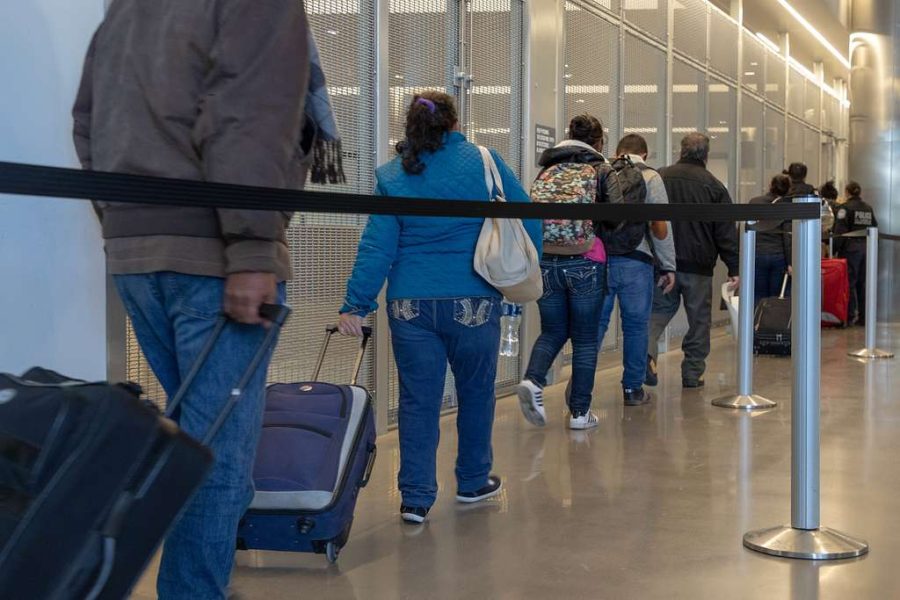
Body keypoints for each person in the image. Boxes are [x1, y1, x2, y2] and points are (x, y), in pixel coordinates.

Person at [72, 2, 311, 597]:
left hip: (137, 255)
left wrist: (126, 221)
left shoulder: (128, 7)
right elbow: (249, 118)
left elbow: (87, 121)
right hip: (215, 257)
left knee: (193, 444)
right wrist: (253, 248)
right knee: (217, 459)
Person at [338, 92, 542, 525]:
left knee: (417, 400)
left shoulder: (393, 174)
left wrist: (355, 304)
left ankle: (415, 497)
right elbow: (529, 216)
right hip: (474, 299)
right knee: (476, 392)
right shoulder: (483, 162)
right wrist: (522, 269)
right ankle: (471, 481)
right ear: (454, 122)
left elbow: (377, 246)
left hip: (410, 304)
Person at [516, 114, 621, 430]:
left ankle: (534, 381)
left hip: (546, 261)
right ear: (599, 141)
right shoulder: (602, 169)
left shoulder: (548, 169)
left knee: (553, 330)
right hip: (586, 260)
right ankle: (579, 413)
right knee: (586, 339)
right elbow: (618, 217)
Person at [646, 133, 739, 389]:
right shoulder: (714, 185)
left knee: (656, 314)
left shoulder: (661, 176)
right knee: (699, 322)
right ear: (706, 155)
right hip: (698, 267)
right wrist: (734, 266)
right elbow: (725, 231)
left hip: (663, 263)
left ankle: (646, 356)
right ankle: (692, 373)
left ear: (681, 150)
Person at [594, 134, 676, 407]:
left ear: (617, 152)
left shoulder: (601, 172)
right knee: (636, 327)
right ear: (646, 154)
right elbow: (660, 227)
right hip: (636, 261)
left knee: (595, 326)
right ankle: (632, 389)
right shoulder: (651, 177)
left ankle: (580, 385)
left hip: (601, 260)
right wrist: (668, 265)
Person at [833, 181, 878, 326]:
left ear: (847, 192)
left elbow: (840, 231)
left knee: (849, 283)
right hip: (867, 247)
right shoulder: (868, 208)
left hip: (851, 248)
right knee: (863, 283)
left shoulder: (844, 208)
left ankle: (850, 316)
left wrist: (835, 249)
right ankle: (864, 317)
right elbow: (874, 227)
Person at [750, 174, 792, 305]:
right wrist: (790, 262)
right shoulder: (786, 206)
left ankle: (755, 323)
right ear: (788, 189)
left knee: (757, 295)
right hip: (778, 256)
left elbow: (745, 229)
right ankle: (772, 324)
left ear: (770, 185)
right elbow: (787, 237)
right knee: (776, 297)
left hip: (757, 254)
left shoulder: (754, 202)